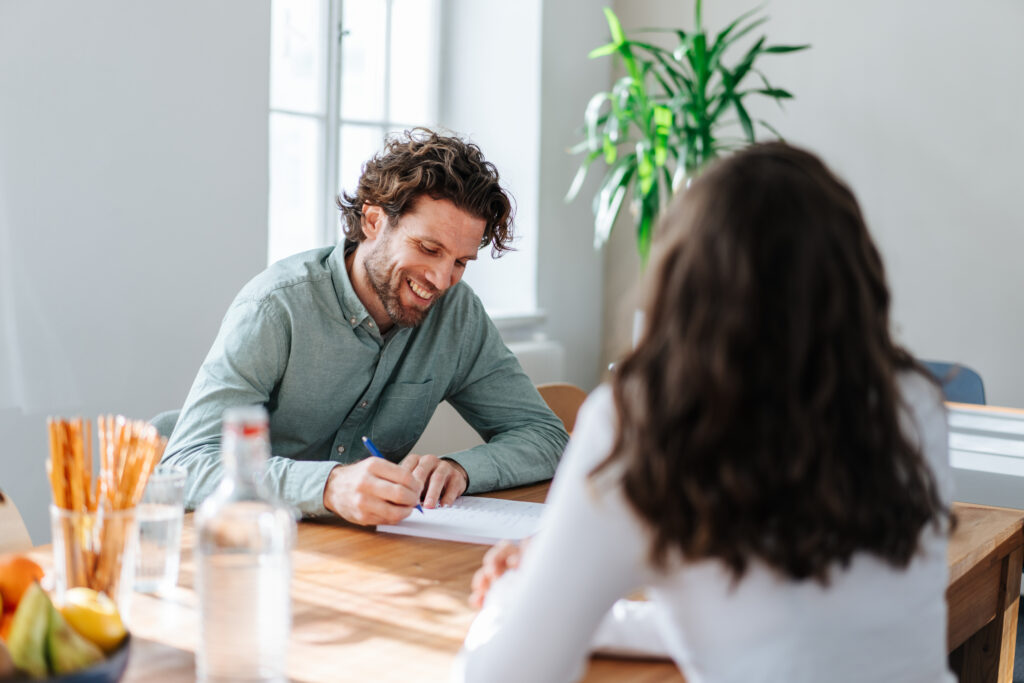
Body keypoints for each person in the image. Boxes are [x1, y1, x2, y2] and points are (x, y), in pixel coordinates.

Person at [454, 143, 955, 682]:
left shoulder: (647, 417)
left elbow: (506, 675)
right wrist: (570, 591)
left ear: (683, 278)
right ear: (855, 275)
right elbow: (768, 628)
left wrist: (510, 603)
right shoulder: (912, 405)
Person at [163, 128, 569, 525]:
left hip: (363, 549)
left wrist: (459, 469)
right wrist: (328, 486)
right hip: (248, 544)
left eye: (461, 262)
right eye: (429, 249)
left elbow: (545, 437)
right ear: (374, 221)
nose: (443, 279)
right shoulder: (275, 307)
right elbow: (187, 464)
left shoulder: (457, 315)